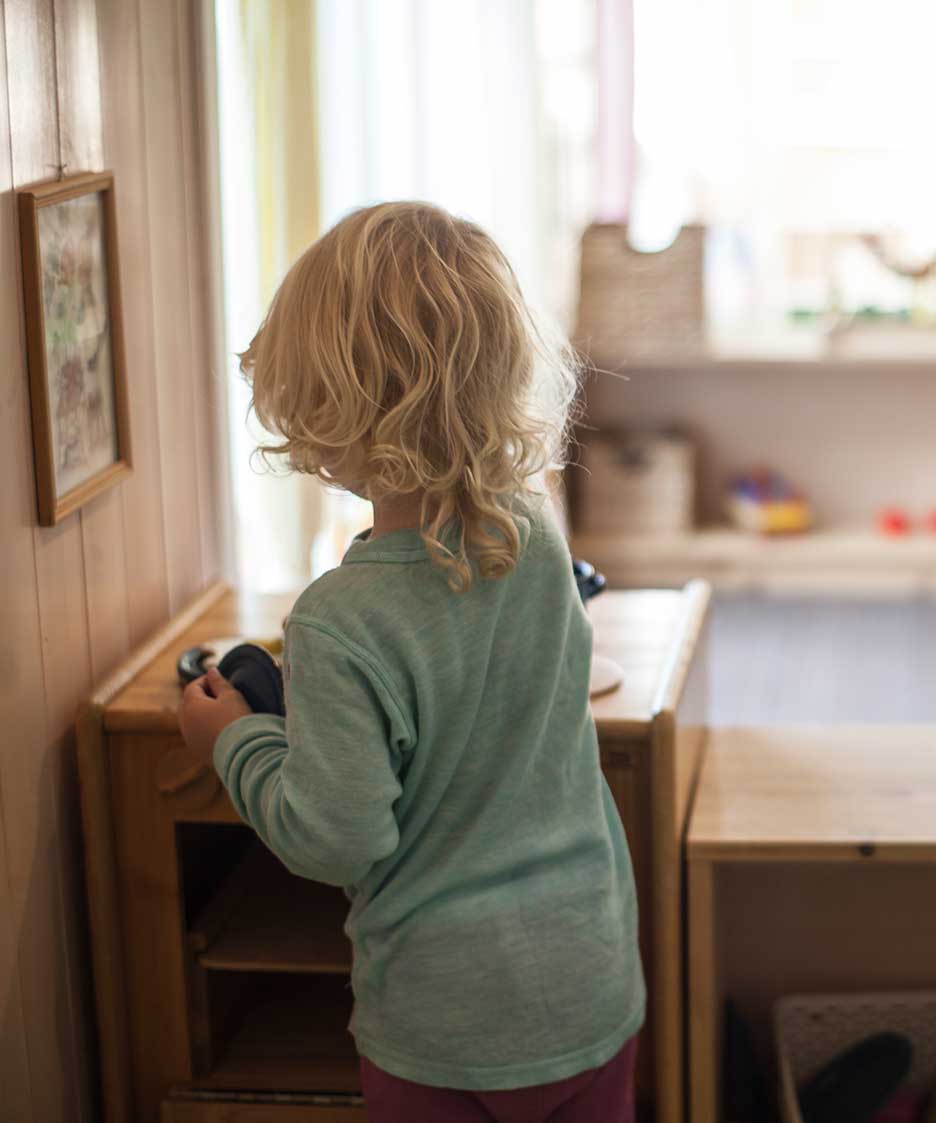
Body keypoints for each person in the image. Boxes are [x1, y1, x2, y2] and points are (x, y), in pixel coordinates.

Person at [179, 201, 641, 1123]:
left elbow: (340, 837)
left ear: (320, 404)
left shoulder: (339, 620)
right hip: (590, 978)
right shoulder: (537, 539)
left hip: (445, 1021)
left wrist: (233, 740)